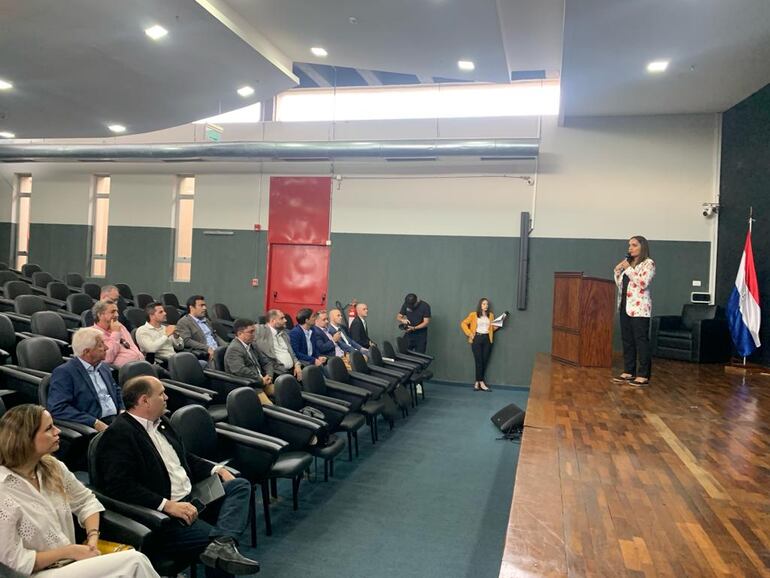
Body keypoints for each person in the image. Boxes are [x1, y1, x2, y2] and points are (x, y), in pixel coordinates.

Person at [94, 376, 260, 577]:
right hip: (164, 517)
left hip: (192, 496)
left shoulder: (162, 421)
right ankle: (221, 547)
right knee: (215, 552)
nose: (166, 397)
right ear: (144, 400)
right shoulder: (119, 434)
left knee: (240, 485)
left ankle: (223, 542)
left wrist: (216, 469)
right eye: (161, 393)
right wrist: (167, 505)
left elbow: (184, 457)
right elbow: (119, 487)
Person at [0, 404, 159, 577]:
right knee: (135, 562)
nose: (57, 431)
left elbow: (86, 501)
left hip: (71, 564)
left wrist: (92, 538)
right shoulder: (3, 491)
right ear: (25, 439)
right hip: (35, 574)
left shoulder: (53, 467)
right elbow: (17, 561)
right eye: (48, 428)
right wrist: (70, 551)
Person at [48, 328, 124, 431]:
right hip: (94, 425)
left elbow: (116, 390)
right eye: (100, 345)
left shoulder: (103, 367)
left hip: (117, 420)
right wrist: (94, 422)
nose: (106, 348)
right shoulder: (65, 373)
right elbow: (58, 408)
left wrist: (123, 411)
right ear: (87, 352)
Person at [613, 235, 656, 387]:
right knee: (627, 340)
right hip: (625, 306)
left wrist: (627, 269)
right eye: (629, 245)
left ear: (642, 247)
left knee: (640, 341)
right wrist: (618, 271)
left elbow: (642, 283)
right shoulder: (629, 264)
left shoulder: (648, 263)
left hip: (639, 309)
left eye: (634, 245)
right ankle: (629, 371)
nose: (630, 248)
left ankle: (643, 374)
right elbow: (622, 286)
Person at [224, 318, 274, 405]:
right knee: (270, 407)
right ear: (240, 334)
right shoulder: (234, 349)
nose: (254, 335)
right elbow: (240, 371)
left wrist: (269, 376)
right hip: (248, 385)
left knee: (285, 394)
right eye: (251, 332)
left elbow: (266, 362)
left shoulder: (252, 344)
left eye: (254, 331)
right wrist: (260, 380)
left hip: (262, 382)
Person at [92, 299, 144, 368]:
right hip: (121, 372)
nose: (117, 315)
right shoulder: (94, 334)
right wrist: (115, 333)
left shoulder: (120, 326)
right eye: (113, 312)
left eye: (117, 311)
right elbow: (107, 358)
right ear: (100, 315)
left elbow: (132, 347)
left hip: (141, 365)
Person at [460, 298, 497, 392]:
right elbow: (463, 323)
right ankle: (482, 383)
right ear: (480, 305)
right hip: (477, 338)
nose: (486, 306)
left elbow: (491, 329)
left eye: (487, 304)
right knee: (479, 361)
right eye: (484, 304)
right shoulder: (473, 314)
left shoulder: (491, 315)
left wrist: (499, 324)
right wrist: (469, 333)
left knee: (484, 361)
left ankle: (477, 382)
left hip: (487, 339)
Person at [253, 310, 302, 379]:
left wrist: (297, 364)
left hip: (293, 371)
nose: (285, 320)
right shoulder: (261, 330)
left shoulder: (285, 334)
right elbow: (248, 328)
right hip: (277, 373)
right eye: (282, 318)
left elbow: (292, 353)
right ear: (273, 321)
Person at [177, 295, 226, 364]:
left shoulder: (206, 320)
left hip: (218, 351)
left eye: (205, 305)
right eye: (201, 305)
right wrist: (206, 348)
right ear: (191, 308)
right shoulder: (184, 322)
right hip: (206, 353)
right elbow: (186, 341)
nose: (205, 308)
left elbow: (214, 336)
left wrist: (227, 347)